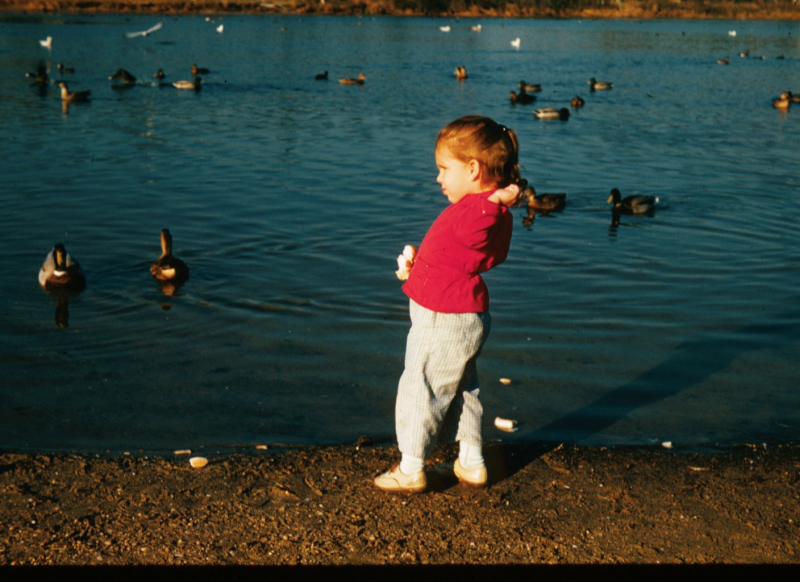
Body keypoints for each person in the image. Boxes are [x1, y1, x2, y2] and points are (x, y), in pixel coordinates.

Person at [375, 115, 524, 493]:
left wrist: (496, 196)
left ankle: (410, 467)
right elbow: (462, 250)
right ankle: (472, 460)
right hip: (461, 311)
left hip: (445, 317)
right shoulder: (479, 213)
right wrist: (418, 262)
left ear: (473, 170)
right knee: (462, 386)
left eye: (444, 169)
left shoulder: (481, 211)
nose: (439, 178)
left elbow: (476, 229)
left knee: (420, 384)